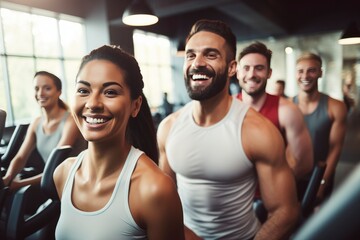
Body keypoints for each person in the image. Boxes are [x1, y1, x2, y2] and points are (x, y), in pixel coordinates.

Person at [157, 19, 299, 240]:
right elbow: (161, 202)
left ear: (232, 68)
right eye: (191, 55)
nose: (197, 63)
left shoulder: (258, 131)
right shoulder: (168, 128)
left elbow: (285, 211)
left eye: (210, 55)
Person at [53, 45, 184, 240]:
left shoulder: (155, 189)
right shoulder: (63, 174)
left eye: (110, 92)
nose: (93, 104)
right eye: (83, 90)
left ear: (135, 105)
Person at [236, 42, 313, 180]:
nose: (251, 74)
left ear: (269, 73)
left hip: (269, 198)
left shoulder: (288, 111)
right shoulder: (226, 108)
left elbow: (304, 163)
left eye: (259, 68)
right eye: (246, 68)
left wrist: (273, 187)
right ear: (237, 72)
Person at [2, 71, 85, 190]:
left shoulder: (71, 121)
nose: (40, 93)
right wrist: (8, 178)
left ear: (59, 92)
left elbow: (57, 165)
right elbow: (20, 157)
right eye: (36, 88)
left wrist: (20, 184)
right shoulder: (36, 123)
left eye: (47, 88)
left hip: (74, 182)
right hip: (51, 180)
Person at [292, 52, 347, 204]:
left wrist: (322, 183)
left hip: (320, 176)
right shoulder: (287, 106)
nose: (305, 76)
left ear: (320, 73)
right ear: (295, 74)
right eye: (300, 71)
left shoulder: (336, 107)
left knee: (319, 225)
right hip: (291, 177)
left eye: (312, 70)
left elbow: (335, 148)